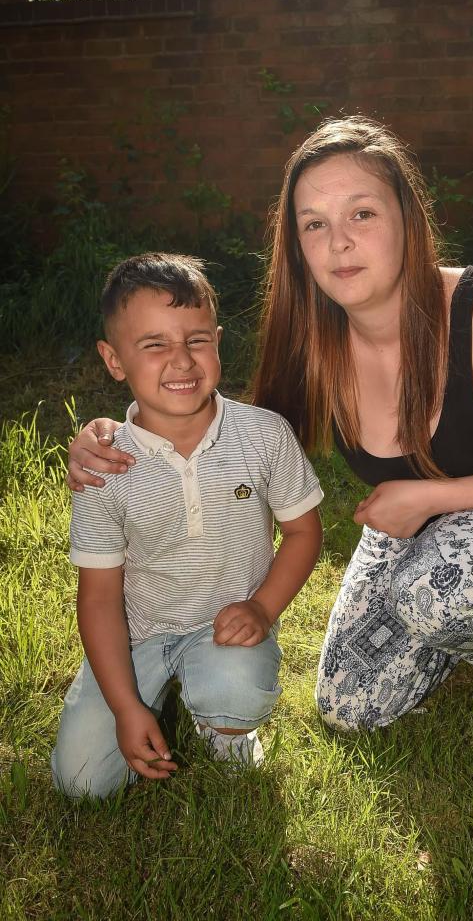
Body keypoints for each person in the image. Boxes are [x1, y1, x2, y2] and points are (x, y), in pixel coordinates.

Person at [67, 118, 473, 736]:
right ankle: (448, 608)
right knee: (350, 708)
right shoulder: (314, 342)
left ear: (407, 217)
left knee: (432, 597)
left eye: (362, 214)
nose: (338, 243)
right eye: (315, 224)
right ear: (297, 244)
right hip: (415, 524)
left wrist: (430, 497)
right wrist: (109, 435)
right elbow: (221, 423)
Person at [53, 252, 323, 798]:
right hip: (138, 636)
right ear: (114, 359)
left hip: (227, 626)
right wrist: (127, 708)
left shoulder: (264, 434)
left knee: (236, 685)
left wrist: (262, 607)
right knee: (82, 783)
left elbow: (304, 532)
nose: (181, 361)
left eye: (196, 340)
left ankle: (226, 727)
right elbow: (100, 598)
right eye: (154, 345)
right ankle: (145, 697)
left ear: (218, 342)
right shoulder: (104, 465)